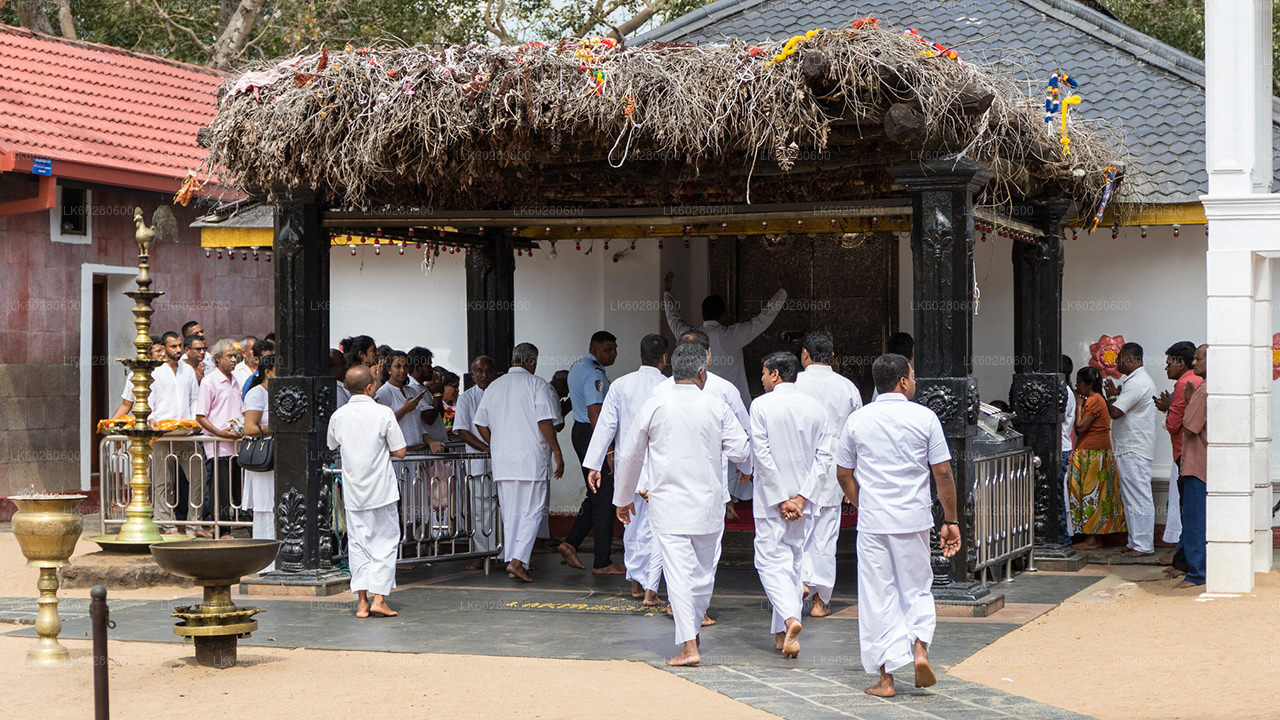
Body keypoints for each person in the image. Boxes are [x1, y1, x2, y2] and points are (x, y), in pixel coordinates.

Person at [614, 343, 750, 667]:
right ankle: (692, 634)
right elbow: (742, 451)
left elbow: (631, 454)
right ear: (703, 372)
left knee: (679, 575)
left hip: (670, 506)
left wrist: (623, 498)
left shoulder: (656, 404)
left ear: (672, 369)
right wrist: (745, 469)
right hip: (708, 505)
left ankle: (690, 645)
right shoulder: (716, 404)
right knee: (703, 574)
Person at [834, 353, 960, 697]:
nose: (915, 382)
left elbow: (843, 473)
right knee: (917, 587)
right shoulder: (925, 417)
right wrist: (951, 520)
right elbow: (943, 473)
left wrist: (864, 503)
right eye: (913, 376)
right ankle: (920, 648)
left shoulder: (858, 420)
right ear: (903, 381)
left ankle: (886, 678)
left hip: (874, 521)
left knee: (878, 595)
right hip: (914, 517)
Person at [749, 351, 829, 659]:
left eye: (763, 373)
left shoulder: (761, 405)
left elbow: (762, 454)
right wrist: (801, 497)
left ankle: (789, 619)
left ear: (775, 375)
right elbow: (824, 459)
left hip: (773, 502)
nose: (761, 378)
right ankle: (783, 636)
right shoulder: (815, 408)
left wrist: (783, 498)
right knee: (793, 563)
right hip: (802, 501)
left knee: (769, 562)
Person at [583, 334, 670, 604]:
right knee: (658, 528)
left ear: (640, 355)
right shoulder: (669, 388)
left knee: (630, 525)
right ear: (664, 359)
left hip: (627, 467)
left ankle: (635, 580)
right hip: (659, 467)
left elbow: (606, 426)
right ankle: (650, 589)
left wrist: (594, 464)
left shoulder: (621, 385)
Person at [473, 343, 565, 583]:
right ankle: (516, 561)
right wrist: (557, 452)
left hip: (504, 462)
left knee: (511, 513)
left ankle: (514, 559)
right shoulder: (538, 385)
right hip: (531, 460)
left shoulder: (494, 386)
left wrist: (496, 444)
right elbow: (545, 422)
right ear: (532, 362)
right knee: (533, 511)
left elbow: (480, 423)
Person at [327, 365, 407, 617]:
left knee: (358, 545)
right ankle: (379, 599)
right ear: (371, 387)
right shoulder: (383, 413)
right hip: (381, 491)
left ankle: (362, 602)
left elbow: (331, 444)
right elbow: (400, 451)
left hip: (354, 492)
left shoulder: (339, 415)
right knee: (385, 543)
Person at [794, 329, 862, 617]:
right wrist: (854, 479)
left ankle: (800, 583)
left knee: (797, 536)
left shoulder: (793, 385)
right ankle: (820, 601)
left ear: (805, 355)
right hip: (835, 473)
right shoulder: (847, 388)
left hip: (798, 473)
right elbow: (857, 435)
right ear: (832, 355)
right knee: (825, 537)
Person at [654, 329, 754, 520]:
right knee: (707, 542)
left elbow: (640, 441)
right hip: (709, 483)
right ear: (708, 354)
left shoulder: (659, 391)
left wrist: (640, 484)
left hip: (669, 481)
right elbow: (744, 433)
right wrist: (747, 467)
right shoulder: (724, 390)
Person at [662, 270, 788, 406]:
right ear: (723, 315)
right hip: (732, 405)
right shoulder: (731, 336)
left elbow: (673, 318)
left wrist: (667, 291)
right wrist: (782, 291)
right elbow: (763, 319)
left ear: (702, 314)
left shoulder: (688, 337)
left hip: (701, 405)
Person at [561, 330, 624, 574]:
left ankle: (570, 543)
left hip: (583, 433)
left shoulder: (579, 366)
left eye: (615, 349)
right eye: (609, 349)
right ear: (594, 349)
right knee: (604, 497)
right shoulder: (594, 372)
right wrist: (607, 450)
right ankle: (602, 562)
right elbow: (595, 412)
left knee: (596, 494)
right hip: (592, 434)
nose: (614, 354)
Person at [1103, 343, 1158, 557]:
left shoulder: (1138, 382)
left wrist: (1110, 397)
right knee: (1130, 497)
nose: (1117, 363)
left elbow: (1115, 412)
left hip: (1134, 447)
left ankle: (1143, 545)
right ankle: (1136, 542)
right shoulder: (1134, 381)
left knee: (1138, 497)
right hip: (1130, 447)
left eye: (1121, 359)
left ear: (1134, 360)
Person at [1067, 366, 1126, 550]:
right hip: (1098, 452)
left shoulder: (1093, 401)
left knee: (1090, 495)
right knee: (1097, 496)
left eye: (1079, 383)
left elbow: (1080, 427)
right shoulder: (1098, 399)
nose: (1077, 388)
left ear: (1089, 384)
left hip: (1092, 454)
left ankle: (1092, 539)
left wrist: (1077, 405)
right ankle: (1095, 537)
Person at [1153, 341, 1201, 564]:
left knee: (1188, 512)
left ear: (1180, 362)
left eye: (1169, 362)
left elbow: (1174, 425)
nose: (1166, 368)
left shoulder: (1184, 383)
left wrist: (1170, 409)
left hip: (1185, 453)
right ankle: (1183, 557)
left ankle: (1186, 562)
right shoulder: (1196, 380)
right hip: (1191, 454)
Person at [194, 338, 245, 537]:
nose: (233, 360)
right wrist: (218, 432)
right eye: (229, 356)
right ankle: (221, 530)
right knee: (220, 489)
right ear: (217, 359)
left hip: (234, 443)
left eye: (235, 356)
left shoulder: (235, 381)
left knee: (234, 487)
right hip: (218, 445)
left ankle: (233, 525)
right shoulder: (209, 382)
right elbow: (200, 416)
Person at [454, 355, 499, 567]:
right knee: (481, 510)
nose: (483, 375)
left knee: (505, 509)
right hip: (479, 462)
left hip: (504, 462)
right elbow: (462, 430)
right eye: (479, 371)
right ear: (472, 375)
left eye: (488, 371)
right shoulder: (466, 398)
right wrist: (486, 449)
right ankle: (482, 554)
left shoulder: (502, 394)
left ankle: (508, 554)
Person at [1174, 344, 1207, 588]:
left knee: (1195, 521)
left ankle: (1196, 573)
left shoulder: (1204, 390)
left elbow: (1190, 427)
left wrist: (1187, 402)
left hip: (1197, 465)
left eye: (1198, 359)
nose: (1193, 363)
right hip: (1207, 464)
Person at [242, 354, 277, 570]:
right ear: (268, 372)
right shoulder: (257, 394)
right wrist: (277, 428)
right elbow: (250, 428)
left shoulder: (278, 393)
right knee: (265, 507)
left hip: (278, 454)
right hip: (265, 454)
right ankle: (265, 564)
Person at [375, 351, 429, 450]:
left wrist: (431, 442)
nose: (402, 370)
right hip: (399, 455)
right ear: (389, 369)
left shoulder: (412, 391)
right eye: (398, 366)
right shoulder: (384, 392)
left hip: (418, 452)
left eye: (405, 366)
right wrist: (405, 409)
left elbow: (418, 423)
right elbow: (381, 425)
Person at [1060, 354, 1076, 545]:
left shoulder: (1064, 392)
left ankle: (1064, 540)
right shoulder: (1067, 391)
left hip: (1061, 447)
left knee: (1058, 495)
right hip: (1063, 446)